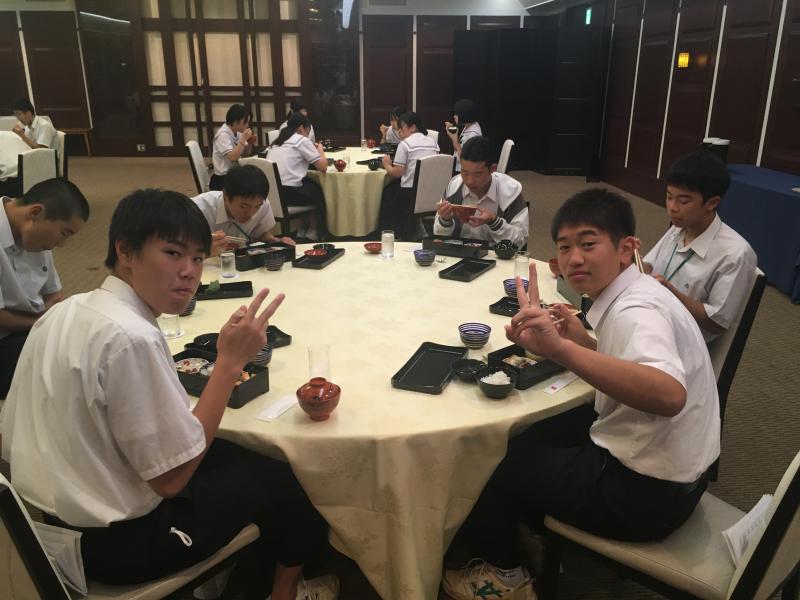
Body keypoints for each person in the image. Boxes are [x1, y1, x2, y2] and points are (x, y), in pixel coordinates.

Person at [0, 189, 339, 600]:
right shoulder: (131, 337)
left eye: (197, 258)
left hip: (51, 524)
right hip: (123, 543)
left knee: (238, 453)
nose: (189, 272)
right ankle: (286, 591)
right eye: (173, 253)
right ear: (125, 251)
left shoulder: (63, 311)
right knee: (286, 473)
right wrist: (228, 363)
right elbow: (172, 480)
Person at [442, 189, 719, 600]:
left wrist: (561, 350)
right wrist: (580, 343)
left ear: (626, 249)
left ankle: (504, 576)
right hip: (684, 477)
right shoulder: (641, 290)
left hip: (646, 497)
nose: (574, 259)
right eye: (565, 247)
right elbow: (632, 365)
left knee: (492, 458)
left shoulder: (635, 311)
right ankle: (537, 530)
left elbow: (668, 394)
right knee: (538, 429)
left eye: (589, 244)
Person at [643, 151, 757, 342]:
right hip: (653, 321)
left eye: (683, 201)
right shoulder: (678, 229)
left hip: (683, 342)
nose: (672, 207)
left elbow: (717, 322)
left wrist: (670, 293)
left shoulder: (735, 253)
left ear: (712, 203)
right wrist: (629, 257)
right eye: (669, 197)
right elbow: (648, 267)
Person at [0, 178, 88, 399]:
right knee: (67, 367)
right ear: (35, 213)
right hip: (6, 338)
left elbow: (54, 295)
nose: (62, 244)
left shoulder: (34, 236)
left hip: (27, 328)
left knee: (91, 343)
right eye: (64, 233)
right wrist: (43, 321)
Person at [434, 136, 528, 249]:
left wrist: (494, 221)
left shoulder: (510, 192)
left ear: (493, 169)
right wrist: (445, 220)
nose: (469, 181)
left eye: (477, 174)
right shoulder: (455, 186)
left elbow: (520, 241)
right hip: (460, 252)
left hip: (496, 255)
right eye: (464, 172)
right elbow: (439, 235)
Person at [192, 164, 295, 256]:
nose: (250, 214)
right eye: (244, 206)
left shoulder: (263, 205)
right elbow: (184, 251)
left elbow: (261, 234)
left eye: (257, 207)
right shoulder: (198, 209)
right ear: (226, 196)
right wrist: (204, 251)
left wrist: (277, 241)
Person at [266, 113, 328, 241]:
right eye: (308, 131)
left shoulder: (276, 142)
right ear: (302, 128)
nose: (308, 136)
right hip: (290, 194)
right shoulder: (301, 141)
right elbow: (323, 167)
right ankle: (315, 231)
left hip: (273, 195)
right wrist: (320, 149)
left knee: (308, 185)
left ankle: (302, 228)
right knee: (319, 191)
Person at [378, 112, 439, 239]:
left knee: (386, 193)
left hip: (410, 194)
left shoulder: (405, 144)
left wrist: (387, 164)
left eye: (402, 127)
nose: (399, 131)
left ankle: (395, 234)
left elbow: (397, 173)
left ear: (413, 127)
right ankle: (418, 227)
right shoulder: (433, 142)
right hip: (432, 192)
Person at [211, 104, 255, 191]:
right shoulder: (222, 135)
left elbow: (246, 154)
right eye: (245, 122)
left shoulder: (238, 132)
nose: (247, 125)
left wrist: (249, 143)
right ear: (235, 122)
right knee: (251, 186)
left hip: (234, 173)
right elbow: (233, 157)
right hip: (223, 179)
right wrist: (243, 140)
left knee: (255, 177)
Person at [445, 99, 482, 173]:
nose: (454, 116)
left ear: (464, 115)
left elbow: (465, 159)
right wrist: (453, 135)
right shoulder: (468, 126)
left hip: (463, 171)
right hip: (457, 166)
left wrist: (455, 140)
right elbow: (457, 149)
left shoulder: (473, 134)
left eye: (456, 114)